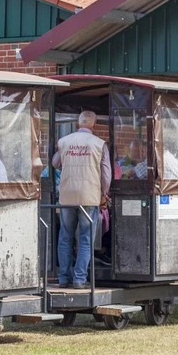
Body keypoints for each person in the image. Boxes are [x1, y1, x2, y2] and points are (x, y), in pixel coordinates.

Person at [51, 111, 112, 289]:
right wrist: (104, 194)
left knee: (65, 237)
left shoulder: (64, 142)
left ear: (78, 124)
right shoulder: (99, 144)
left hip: (67, 196)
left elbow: (55, 163)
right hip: (89, 196)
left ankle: (63, 278)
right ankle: (79, 279)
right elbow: (106, 174)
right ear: (93, 124)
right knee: (85, 239)